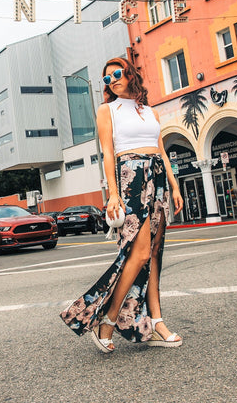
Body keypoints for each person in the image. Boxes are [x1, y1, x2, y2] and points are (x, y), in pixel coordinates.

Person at [60, 57, 183, 353]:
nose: (112, 80)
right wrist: (113, 194)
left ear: (129, 74)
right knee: (138, 254)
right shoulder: (107, 110)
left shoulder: (148, 110)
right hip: (130, 178)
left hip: (157, 176)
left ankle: (156, 322)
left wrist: (174, 185)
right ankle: (108, 320)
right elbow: (107, 152)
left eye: (116, 74)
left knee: (154, 254)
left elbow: (161, 151)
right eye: (106, 79)